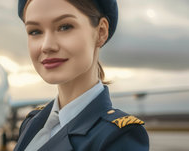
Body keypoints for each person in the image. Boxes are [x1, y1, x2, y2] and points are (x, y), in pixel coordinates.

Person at [14, 0, 149, 150]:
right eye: (35, 31)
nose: (46, 46)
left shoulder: (118, 136)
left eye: (65, 27)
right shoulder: (32, 122)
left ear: (101, 32)